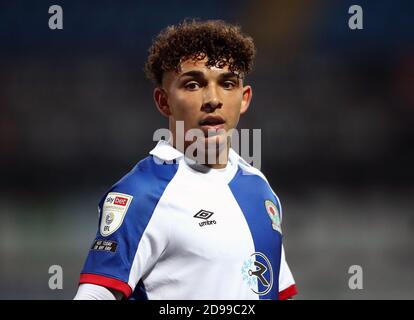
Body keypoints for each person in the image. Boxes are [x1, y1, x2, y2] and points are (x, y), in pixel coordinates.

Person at [74, 19, 297, 300]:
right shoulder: (142, 193)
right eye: (193, 84)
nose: (213, 99)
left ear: (244, 98)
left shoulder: (259, 187)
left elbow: (277, 293)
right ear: (163, 101)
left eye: (227, 83)